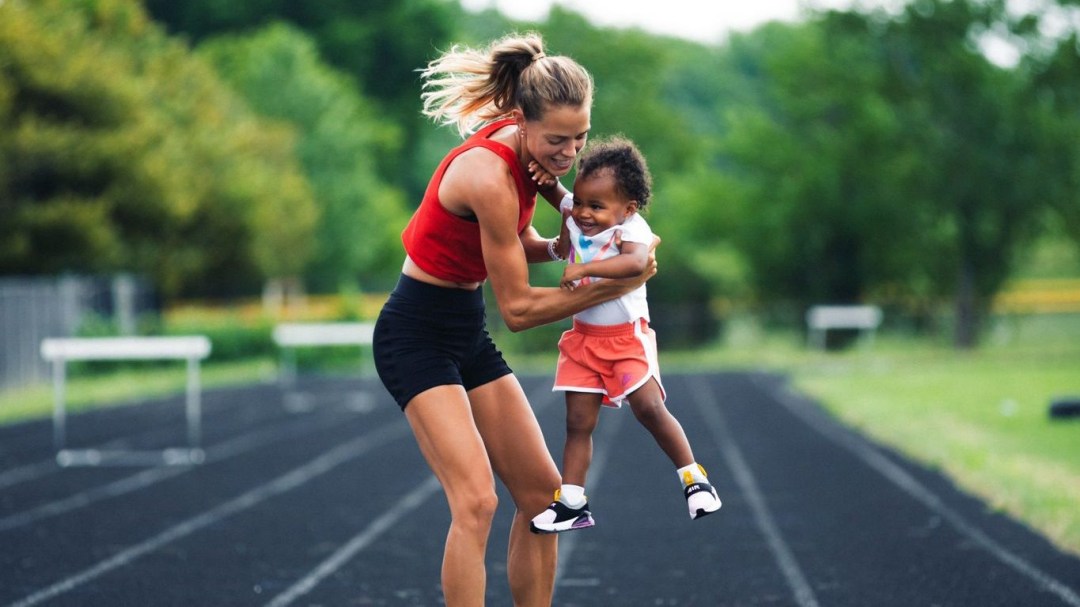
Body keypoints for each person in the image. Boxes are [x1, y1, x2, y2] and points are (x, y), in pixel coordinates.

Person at [371, 33, 658, 607]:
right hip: (416, 334)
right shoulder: (488, 175)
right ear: (521, 121)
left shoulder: (530, 158)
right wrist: (614, 283)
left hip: (463, 327)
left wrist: (569, 250)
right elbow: (521, 310)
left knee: (545, 499)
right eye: (556, 140)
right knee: (476, 501)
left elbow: (516, 242)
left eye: (580, 137)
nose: (569, 154)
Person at [528, 137, 722, 535]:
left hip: (626, 339)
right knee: (577, 422)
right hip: (583, 339)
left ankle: (694, 478)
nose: (583, 212)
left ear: (628, 208)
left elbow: (636, 262)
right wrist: (540, 173)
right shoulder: (575, 209)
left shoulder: (632, 228)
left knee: (649, 409)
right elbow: (553, 190)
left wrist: (582, 272)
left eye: (596, 207)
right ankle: (572, 501)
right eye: (580, 201)